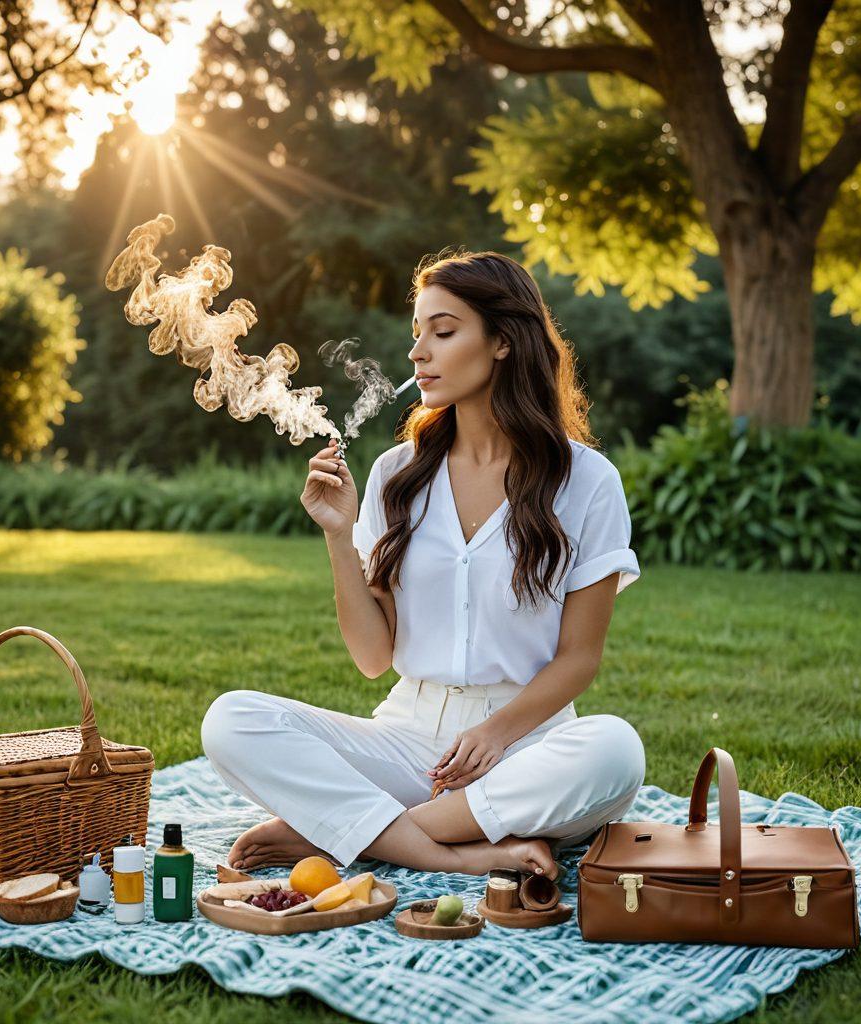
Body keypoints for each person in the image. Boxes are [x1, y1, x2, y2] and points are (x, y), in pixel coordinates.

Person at [201, 250, 645, 881]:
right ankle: (450, 848)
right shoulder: (395, 475)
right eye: (417, 334)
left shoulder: (588, 481)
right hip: (408, 741)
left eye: (443, 331)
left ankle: (349, 831)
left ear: (502, 342)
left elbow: (579, 658)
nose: (417, 353)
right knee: (232, 720)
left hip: (528, 743)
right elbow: (373, 657)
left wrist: (495, 734)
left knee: (615, 751)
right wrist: (338, 536)